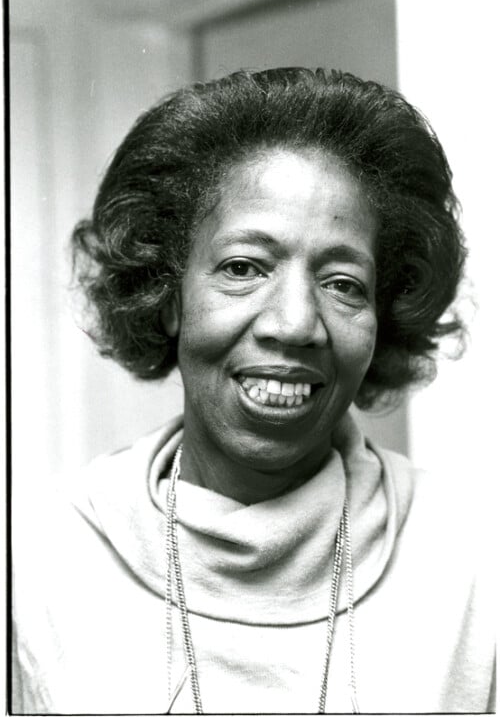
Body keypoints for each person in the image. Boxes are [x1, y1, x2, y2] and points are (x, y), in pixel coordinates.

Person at [12, 67, 495, 714]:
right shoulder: (36, 565)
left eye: (343, 283)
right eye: (244, 267)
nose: (295, 324)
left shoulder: (476, 559)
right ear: (167, 296)